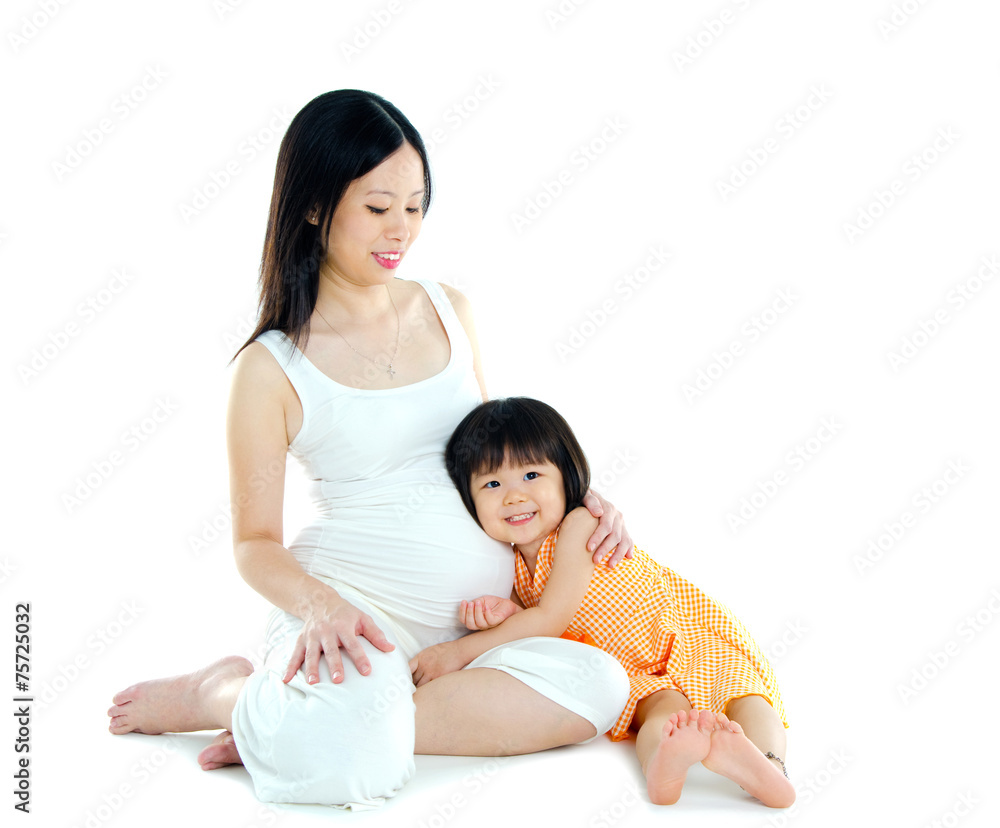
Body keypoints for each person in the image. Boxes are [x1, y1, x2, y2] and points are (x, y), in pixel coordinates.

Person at [106, 90, 634, 809]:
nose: (401, 230)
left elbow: (496, 457)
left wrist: (577, 496)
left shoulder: (449, 310)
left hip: (469, 636)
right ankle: (226, 693)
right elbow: (254, 545)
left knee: (601, 684)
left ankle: (301, 723)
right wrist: (322, 609)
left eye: (415, 207)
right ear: (313, 206)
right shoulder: (270, 368)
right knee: (351, 771)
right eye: (379, 207)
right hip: (352, 616)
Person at [410, 396, 795, 808]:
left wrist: (458, 651)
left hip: (681, 631)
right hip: (627, 667)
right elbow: (541, 628)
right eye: (492, 484)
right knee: (663, 712)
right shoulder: (513, 567)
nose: (513, 496)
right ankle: (664, 762)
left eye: (531, 474)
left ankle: (768, 764)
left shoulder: (579, 523)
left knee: (742, 692)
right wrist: (508, 615)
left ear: (567, 476)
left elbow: (550, 617)